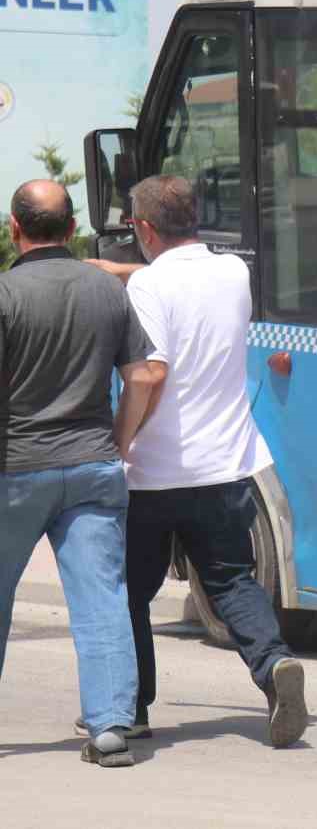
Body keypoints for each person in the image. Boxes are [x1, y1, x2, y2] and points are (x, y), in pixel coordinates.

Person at [100, 174, 308, 748]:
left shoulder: (148, 289)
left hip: (155, 473)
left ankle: (132, 707)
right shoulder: (233, 271)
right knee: (231, 579)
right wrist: (122, 273)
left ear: (142, 228)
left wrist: (123, 440)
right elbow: (177, 283)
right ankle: (273, 666)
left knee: (130, 593)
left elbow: (152, 372)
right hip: (226, 465)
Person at [0, 180, 161, 768]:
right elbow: (142, 376)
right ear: (72, 230)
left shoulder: (6, 294)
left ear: (16, 229)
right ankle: (112, 727)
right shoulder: (108, 291)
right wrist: (117, 442)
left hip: (16, 468)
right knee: (101, 599)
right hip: (94, 466)